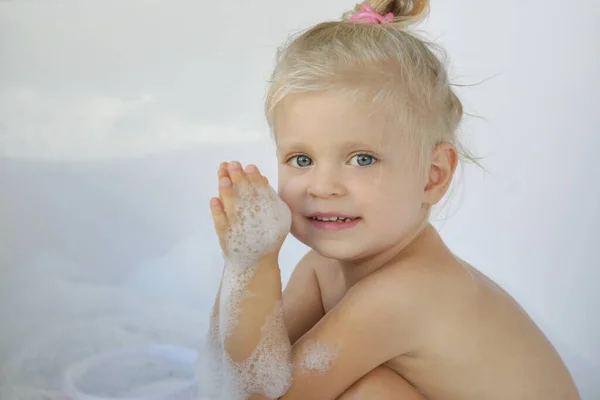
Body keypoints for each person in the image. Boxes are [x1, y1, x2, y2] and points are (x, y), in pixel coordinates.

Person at [200, 1, 581, 399]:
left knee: (368, 392)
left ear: (432, 176)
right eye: (301, 159)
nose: (323, 186)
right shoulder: (323, 268)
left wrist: (256, 264)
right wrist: (242, 264)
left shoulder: (407, 294)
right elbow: (240, 377)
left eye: (362, 159)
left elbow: (270, 399)